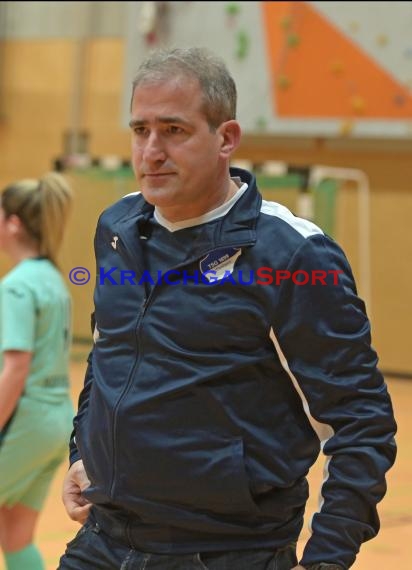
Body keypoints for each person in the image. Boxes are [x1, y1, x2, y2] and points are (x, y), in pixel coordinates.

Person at [58, 47, 396, 570]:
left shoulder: (292, 253)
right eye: (140, 130)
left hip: (228, 553)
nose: (151, 151)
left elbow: (362, 420)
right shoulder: (117, 228)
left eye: (173, 130)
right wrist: (83, 451)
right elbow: (109, 355)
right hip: (104, 539)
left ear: (226, 139)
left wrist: (328, 557)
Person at [0, 172, 74, 570]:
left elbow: (15, 368)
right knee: (15, 535)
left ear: (13, 223)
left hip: (25, 419)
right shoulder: (51, 279)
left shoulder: (15, 286)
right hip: (55, 423)